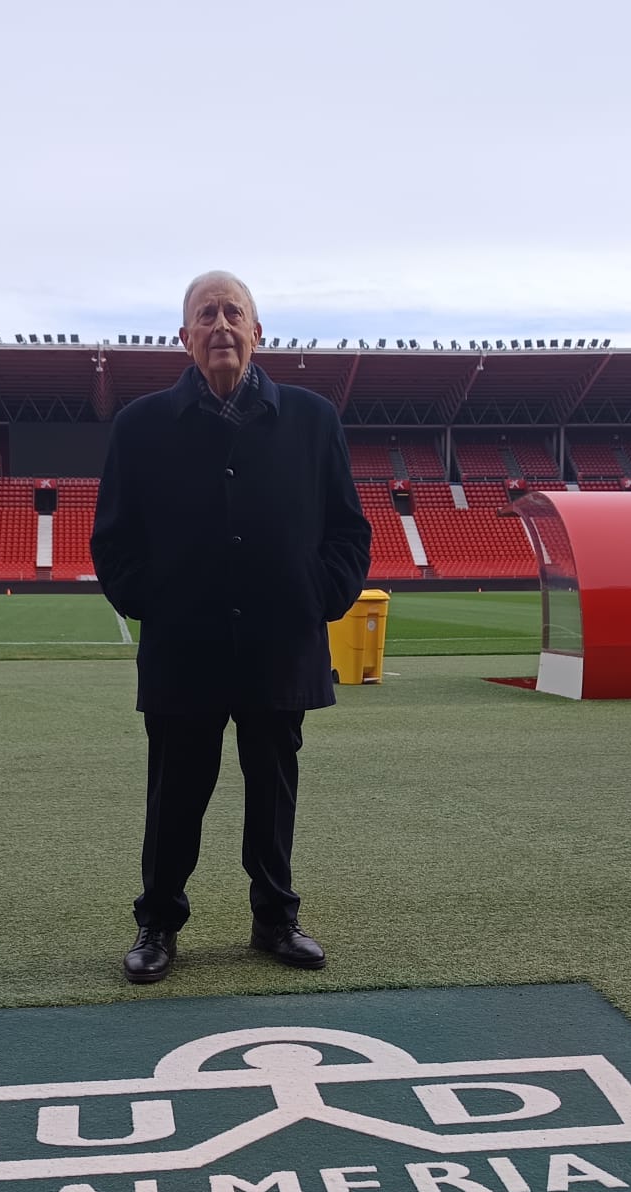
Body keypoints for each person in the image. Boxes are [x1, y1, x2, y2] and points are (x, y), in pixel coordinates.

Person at [92, 271, 371, 984]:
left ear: (257, 331)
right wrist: (158, 601)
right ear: (184, 336)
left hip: (283, 644)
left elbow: (347, 530)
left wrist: (317, 597)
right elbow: (113, 543)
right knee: (175, 793)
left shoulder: (312, 420)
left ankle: (275, 918)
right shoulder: (141, 426)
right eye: (205, 314)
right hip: (184, 649)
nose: (221, 324)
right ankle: (157, 922)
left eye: (233, 312)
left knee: (273, 789)